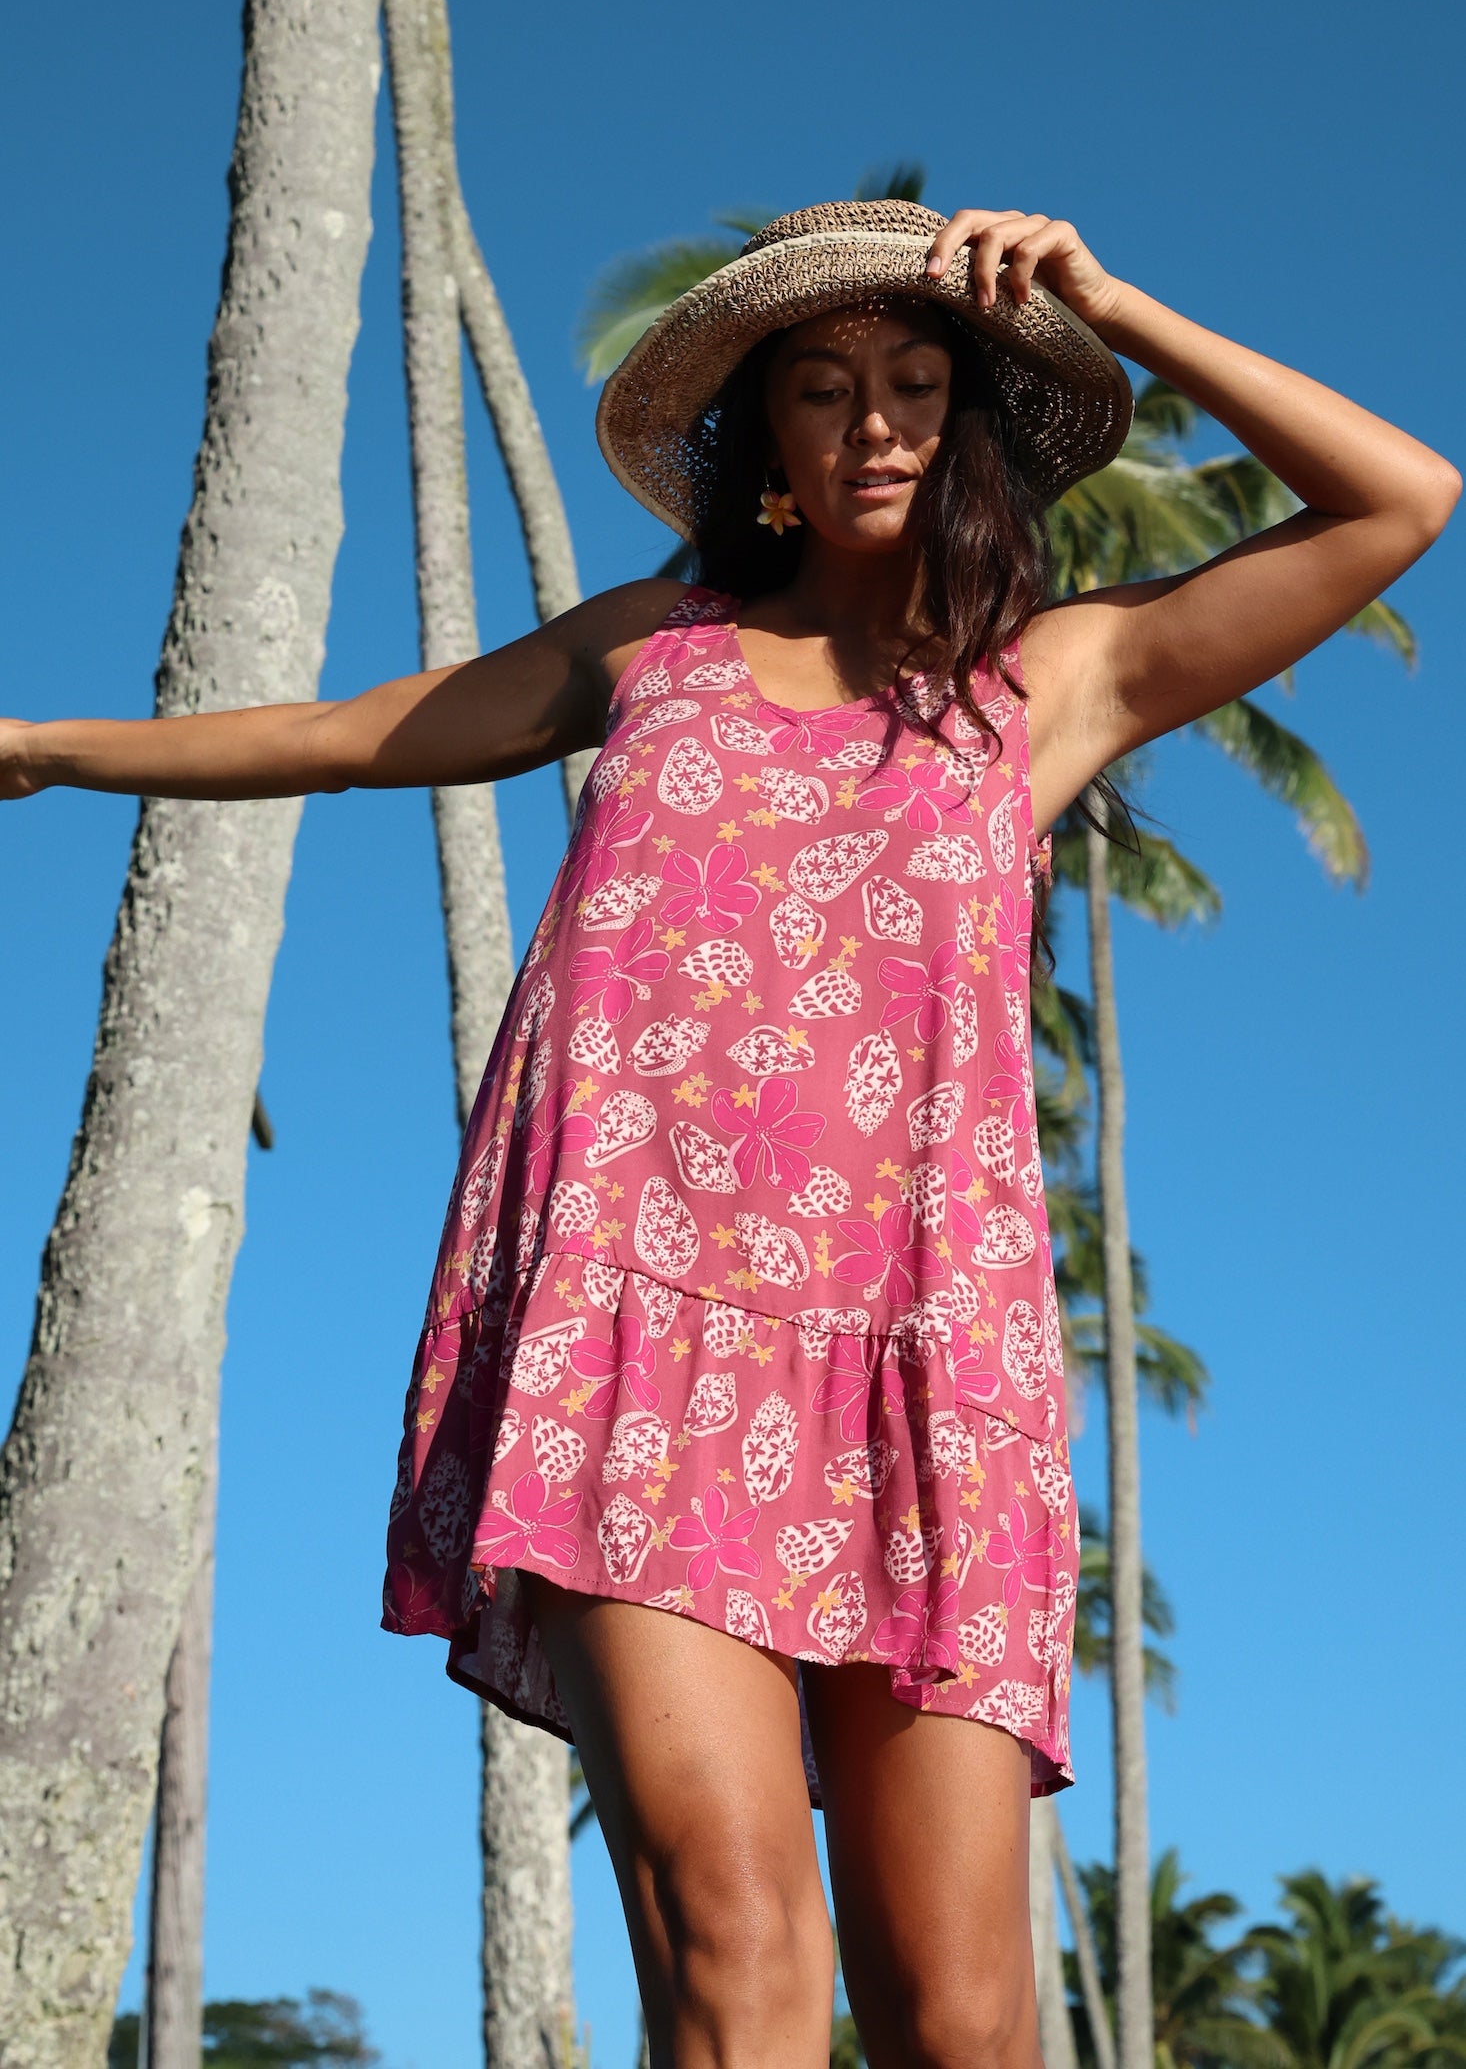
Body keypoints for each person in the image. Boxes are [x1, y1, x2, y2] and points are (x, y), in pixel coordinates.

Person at [2, 201, 1456, 2069]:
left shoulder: (1047, 686)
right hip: (636, 1345)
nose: (871, 426)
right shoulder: (656, 652)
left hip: (927, 1373)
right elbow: (365, 732)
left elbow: (1397, 500)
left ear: (968, 430)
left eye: (916, 387)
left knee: (963, 2017)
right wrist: (43, 743)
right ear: (759, 436)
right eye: (824, 389)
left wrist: (1107, 306)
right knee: (736, 1949)